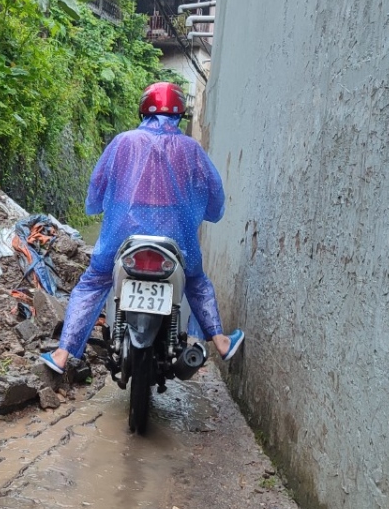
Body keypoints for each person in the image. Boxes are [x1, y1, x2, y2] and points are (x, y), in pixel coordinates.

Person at [42, 81, 243, 373]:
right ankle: (222, 342)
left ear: (143, 110)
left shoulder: (123, 142)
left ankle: (62, 355)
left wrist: (96, 207)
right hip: (176, 237)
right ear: (179, 114)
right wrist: (209, 213)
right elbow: (213, 191)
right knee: (196, 282)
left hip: (123, 235)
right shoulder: (190, 148)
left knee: (93, 282)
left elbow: (98, 185)